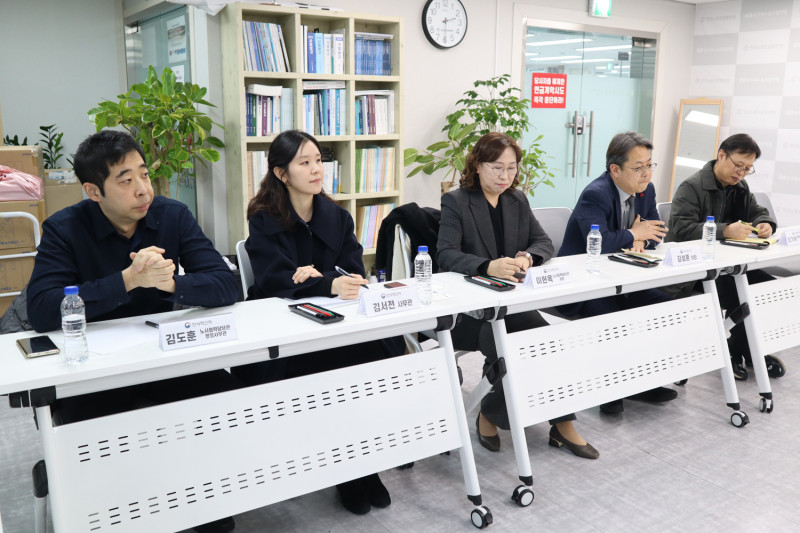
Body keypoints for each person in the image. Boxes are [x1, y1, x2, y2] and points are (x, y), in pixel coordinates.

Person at [26, 130, 240, 533]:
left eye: (144, 174)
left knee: (228, 400)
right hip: (95, 372)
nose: (143, 189)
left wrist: (171, 284)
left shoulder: (172, 215)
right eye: (126, 180)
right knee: (99, 441)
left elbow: (228, 285)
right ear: (94, 191)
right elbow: (41, 308)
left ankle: (205, 497)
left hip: (165, 357)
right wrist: (127, 281)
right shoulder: (64, 228)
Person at [230, 130, 404, 515]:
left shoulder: (337, 216)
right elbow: (275, 279)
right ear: (281, 173)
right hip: (284, 327)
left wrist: (319, 279)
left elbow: (353, 271)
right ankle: (348, 470)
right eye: (304, 162)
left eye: (318, 161)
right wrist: (326, 282)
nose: (316, 170)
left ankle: (365, 461)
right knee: (331, 366)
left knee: (383, 351)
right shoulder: (263, 218)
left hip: (336, 320)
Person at [437, 132, 598, 460]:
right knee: (513, 349)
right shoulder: (457, 202)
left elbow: (543, 242)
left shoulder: (517, 200)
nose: (505, 176)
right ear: (477, 165)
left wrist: (528, 257)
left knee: (548, 344)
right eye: (497, 167)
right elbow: (446, 254)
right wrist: (487, 266)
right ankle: (491, 414)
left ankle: (560, 424)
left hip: (509, 304)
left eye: (511, 168)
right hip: (469, 311)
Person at [558, 131, 678, 414]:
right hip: (584, 284)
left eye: (649, 165)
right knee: (614, 318)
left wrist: (640, 240)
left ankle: (644, 381)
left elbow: (657, 231)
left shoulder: (646, 189)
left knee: (664, 307)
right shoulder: (595, 194)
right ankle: (609, 389)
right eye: (638, 168)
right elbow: (597, 243)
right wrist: (634, 233)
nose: (647, 173)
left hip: (624, 278)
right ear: (615, 169)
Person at [667, 133, 785, 380]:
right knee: (741, 294)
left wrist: (765, 223)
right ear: (721, 155)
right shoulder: (692, 186)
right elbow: (681, 230)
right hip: (694, 272)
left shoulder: (740, 187)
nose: (741, 173)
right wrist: (725, 230)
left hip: (727, 267)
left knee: (766, 289)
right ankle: (735, 350)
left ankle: (746, 349)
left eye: (747, 169)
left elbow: (757, 211)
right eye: (738, 165)